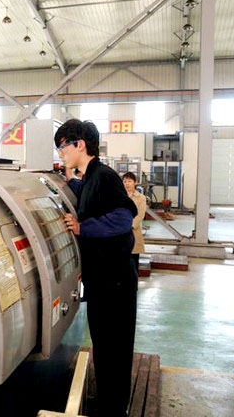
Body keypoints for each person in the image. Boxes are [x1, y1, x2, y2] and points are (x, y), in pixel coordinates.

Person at [56, 119, 138, 416]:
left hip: (114, 282)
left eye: (63, 146)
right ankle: (109, 403)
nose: (61, 153)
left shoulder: (104, 176)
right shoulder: (90, 178)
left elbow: (123, 218)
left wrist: (83, 227)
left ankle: (114, 409)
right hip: (103, 281)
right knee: (104, 347)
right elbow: (85, 193)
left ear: (80, 144)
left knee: (114, 349)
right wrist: (66, 182)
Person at [122, 172, 147, 272]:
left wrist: (128, 227)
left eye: (130, 181)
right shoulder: (119, 196)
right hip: (119, 233)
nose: (127, 184)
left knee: (133, 262)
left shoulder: (141, 198)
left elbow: (140, 215)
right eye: (125, 181)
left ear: (135, 182)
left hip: (133, 233)